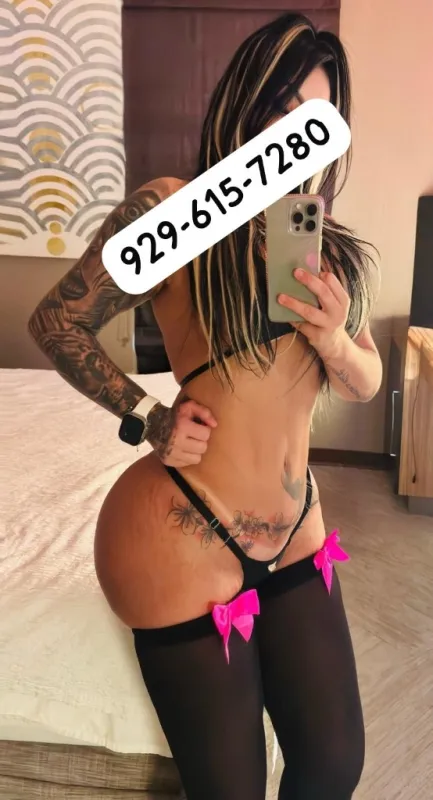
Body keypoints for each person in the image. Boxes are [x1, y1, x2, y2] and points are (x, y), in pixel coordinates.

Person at [28, 12, 382, 800]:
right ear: (243, 103)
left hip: (295, 530)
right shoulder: (178, 210)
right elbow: (57, 321)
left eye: (315, 120)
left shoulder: (314, 238)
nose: (293, 137)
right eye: (280, 110)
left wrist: (332, 338)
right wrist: (146, 416)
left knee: (333, 764)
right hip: (182, 531)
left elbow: (365, 378)